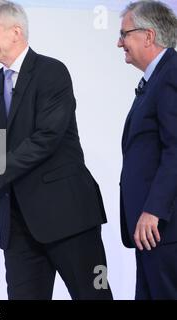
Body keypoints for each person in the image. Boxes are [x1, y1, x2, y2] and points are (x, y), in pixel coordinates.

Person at [0, 0, 113, 299]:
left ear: (15, 32)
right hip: (18, 227)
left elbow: (45, 138)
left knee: (94, 295)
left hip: (69, 218)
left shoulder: (52, 72)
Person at [118, 0, 177, 300]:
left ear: (148, 36)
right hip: (152, 233)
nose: (119, 43)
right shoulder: (157, 78)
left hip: (165, 228)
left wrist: (153, 209)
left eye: (124, 34)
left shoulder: (171, 74)